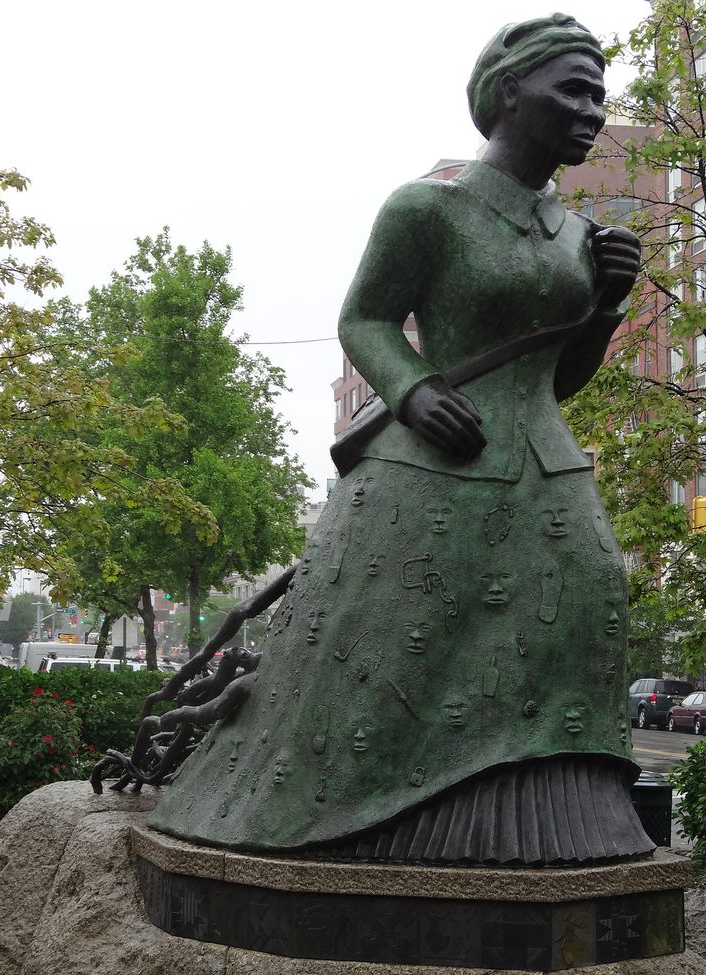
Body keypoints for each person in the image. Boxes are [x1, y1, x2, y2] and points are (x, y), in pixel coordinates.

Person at [149, 13, 654, 865]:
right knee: (392, 661)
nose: (593, 110)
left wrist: (604, 305)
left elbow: (560, 380)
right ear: (507, 93)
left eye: (601, 96)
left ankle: (560, 822)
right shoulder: (428, 207)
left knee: (586, 615)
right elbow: (365, 319)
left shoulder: (578, 235)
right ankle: (380, 827)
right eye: (573, 89)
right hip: (433, 464)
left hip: (548, 469)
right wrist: (414, 391)